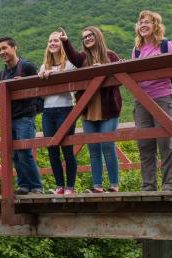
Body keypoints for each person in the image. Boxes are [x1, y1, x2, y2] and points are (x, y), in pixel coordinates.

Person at [60, 26, 122, 193]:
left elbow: (120, 78)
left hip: (108, 108)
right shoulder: (82, 58)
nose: (87, 38)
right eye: (84, 37)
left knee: (108, 145)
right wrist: (66, 41)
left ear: (98, 36)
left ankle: (114, 185)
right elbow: (72, 56)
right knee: (93, 149)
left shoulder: (111, 56)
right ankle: (98, 186)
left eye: (90, 35)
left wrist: (102, 69)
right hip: (88, 109)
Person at [131, 10, 172, 191]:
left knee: (166, 143)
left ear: (155, 26)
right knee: (145, 144)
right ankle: (148, 186)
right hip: (141, 101)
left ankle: (169, 185)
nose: (143, 25)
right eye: (141, 22)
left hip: (163, 98)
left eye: (148, 22)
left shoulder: (165, 45)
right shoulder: (136, 50)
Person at [0, 36, 43, 195]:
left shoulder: (27, 67)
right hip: (9, 117)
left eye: (4, 48)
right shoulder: (2, 73)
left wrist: (22, 84)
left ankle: (36, 186)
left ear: (14, 48)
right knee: (14, 153)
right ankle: (24, 185)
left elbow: (39, 88)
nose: (2, 52)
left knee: (25, 151)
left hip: (25, 116)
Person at [38, 32, 78, 195]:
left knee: (67, 148)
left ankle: (70, 187)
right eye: (50, 41)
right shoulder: (43, 67)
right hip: (47, 111)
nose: (52, 43)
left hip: (65, 108)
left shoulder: (69, 64)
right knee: (52, 149)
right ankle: (59, 186)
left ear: (62, 44)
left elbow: (74, 78)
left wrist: (52, 75)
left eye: (56, 40)